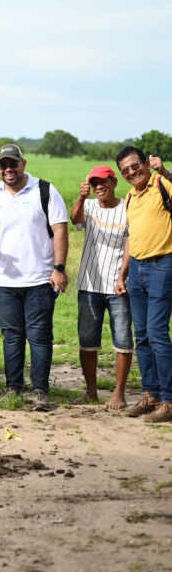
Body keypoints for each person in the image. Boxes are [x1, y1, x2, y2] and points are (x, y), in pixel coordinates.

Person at [0, 144, 69, 411]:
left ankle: (40, 390)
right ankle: (12, 388)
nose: (8, 169)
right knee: (11, 336)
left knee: (40, 336)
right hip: (5, 280)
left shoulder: (45, 190)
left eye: (13, 164)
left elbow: (60, 230)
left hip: (41, 278)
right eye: (3, 165)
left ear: (23, 163)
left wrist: (59, 268)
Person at [69, 165, 132, 410]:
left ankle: (119, 393)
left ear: (114, 182)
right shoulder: (90, 205)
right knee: (87, 341)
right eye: (94, 183)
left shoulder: (127, 207)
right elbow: (75, 219)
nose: (99, 187)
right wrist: (82, 197)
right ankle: (91, 391)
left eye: (103, 182)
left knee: (123, 340)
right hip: (89, 284)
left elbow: (130, 243)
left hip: (119, 287)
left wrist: (122, 276)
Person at [116, 148, 172, 423]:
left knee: (158, 333)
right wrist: (122, 274)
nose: (131, 172)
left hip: (163, 265)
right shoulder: (129, 197)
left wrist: (165, 172)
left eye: (135, 165)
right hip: (137, 268)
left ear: (145, 164)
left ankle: (170, 401)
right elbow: (131, 236)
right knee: (143, 335)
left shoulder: (162, 183)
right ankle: (152, 394)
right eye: (125, 170)